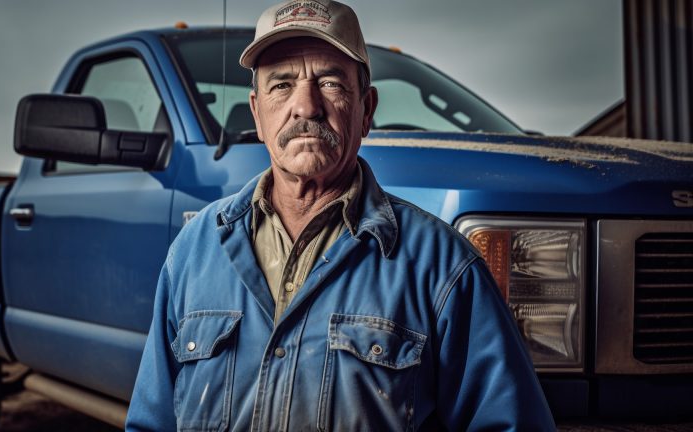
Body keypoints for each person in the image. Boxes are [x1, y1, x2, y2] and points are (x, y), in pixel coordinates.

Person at [125, 0, 556, 430]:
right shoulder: (193, 251)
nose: (306, 107)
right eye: (281, 85)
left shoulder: (445, 269)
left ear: (366, 110)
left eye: (330, 83)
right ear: (257, 114)